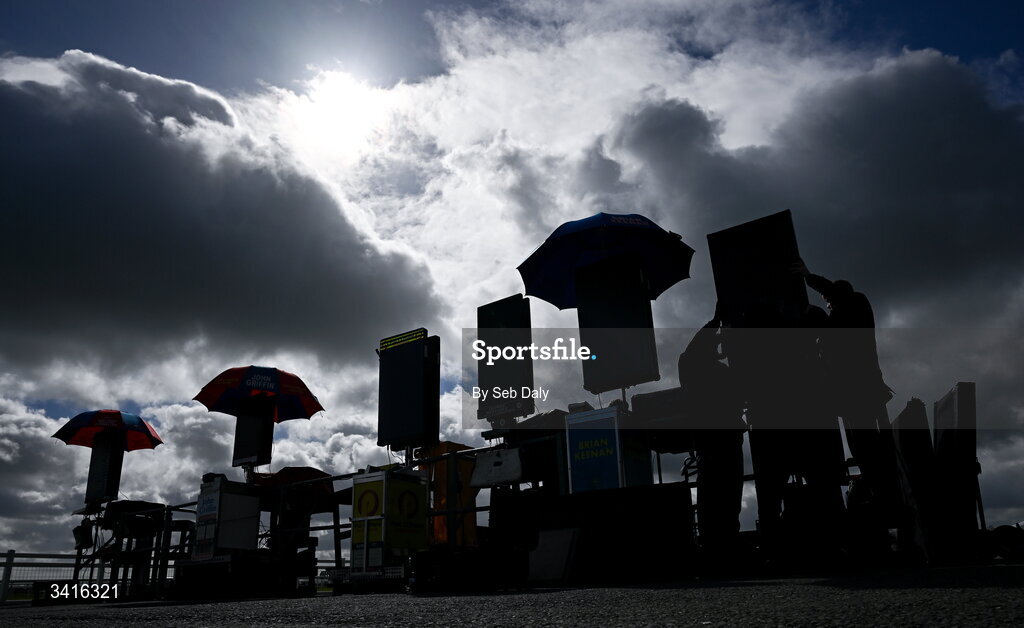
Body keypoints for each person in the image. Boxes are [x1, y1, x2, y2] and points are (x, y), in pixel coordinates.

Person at [794, 261, 901, 531]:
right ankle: (878, 489)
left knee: (867, 447)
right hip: (857, 393)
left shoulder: (852, 310)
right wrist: (808, 277)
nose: (829, 306)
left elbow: (832, 330)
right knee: (864, 446)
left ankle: (882, 494)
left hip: (859, 393)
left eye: (830, 303)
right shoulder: (853, 311)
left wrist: (815, 313)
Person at [678, 308, 746, 562]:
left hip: (711, 439)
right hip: (724, 438)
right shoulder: (720, 372)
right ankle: (727, 544)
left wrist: (714, 326)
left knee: (714, 494)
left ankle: (714, 547)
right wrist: (716, 325)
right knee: (728, 494)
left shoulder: (689, 365)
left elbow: (693, 349)